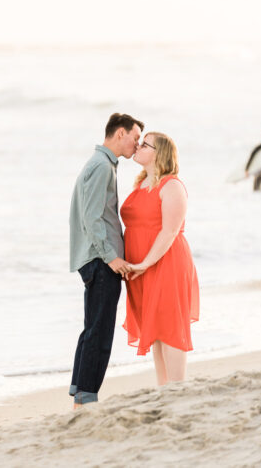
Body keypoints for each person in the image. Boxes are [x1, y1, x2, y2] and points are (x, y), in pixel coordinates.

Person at [68, 112, 144, 407]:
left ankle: (81, 394)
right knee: (100, 332)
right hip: (101, 260)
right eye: (135, 137)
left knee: (93, 328)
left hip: (96, 258)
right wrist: (111, 257)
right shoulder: (101, 166)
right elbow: (92, 218)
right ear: (120, 133)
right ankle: (86, 398)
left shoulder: (101, 163)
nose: (137, 144)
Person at [121, 132, 200, 385]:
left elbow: (170, 231)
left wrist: (146, 263)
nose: (138, 146)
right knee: (155, 329)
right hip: (142, 268)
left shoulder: (172, 186)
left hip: (166, 262)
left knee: (170, 327)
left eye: (145, 144)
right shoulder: (141, 184)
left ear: (159, 154)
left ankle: (177, 386)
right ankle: (164, 388)